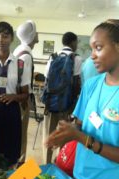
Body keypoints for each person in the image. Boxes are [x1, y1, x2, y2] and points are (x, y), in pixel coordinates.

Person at [46, 19, 119, 179]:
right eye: (91, 49)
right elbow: (81, 123)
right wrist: (66, 132)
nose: (92, 56)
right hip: (80, 174)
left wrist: (81, 138)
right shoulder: (92, 85)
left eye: (98, 48)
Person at [0, 21, 29, 165]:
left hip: (11, 111)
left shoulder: (20, 64)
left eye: (5, 36)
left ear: (11, 39)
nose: (0, 40)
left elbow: (25, 94)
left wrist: (14, 96)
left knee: (10, 153)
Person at [43, 31, 82, 164]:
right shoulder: (76, 58)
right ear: (73, 42)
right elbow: (76, 84)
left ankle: (46, 163)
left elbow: (46, 81)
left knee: (49, 136)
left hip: (51, 105)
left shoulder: (53, 57)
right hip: (66, 106)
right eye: (76, 42)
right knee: (64, 138)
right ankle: (60, 164)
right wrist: (73, 107)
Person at [13, 20, 39, 160]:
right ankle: (20, 164)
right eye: (36, 31)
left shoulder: (18, 51)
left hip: (16, 99)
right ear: (31, 35)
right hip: (21, 101)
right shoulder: (26, 56)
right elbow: (24, 84)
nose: (37, 34)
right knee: (22, 134)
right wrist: (26, 103)